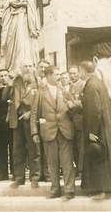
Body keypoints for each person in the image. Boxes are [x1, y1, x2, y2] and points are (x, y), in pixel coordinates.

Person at [79, 61, 111, 200]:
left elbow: (94, 110)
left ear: (84, 71)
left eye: (80, 71)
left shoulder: (90, 85)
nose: (79, 74)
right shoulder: (99, 82)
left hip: (98, 128)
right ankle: (109, 189)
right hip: (106, 126)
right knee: (108, 159)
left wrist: (92, 131)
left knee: (99, 158)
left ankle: (104, 190)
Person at [30, 66, 76, 200]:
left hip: (65, 130)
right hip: (49, 132)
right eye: (56, 75)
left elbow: (74, 109)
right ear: (48, 76)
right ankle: (55, 189)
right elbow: (34, 114)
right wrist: (34, 132)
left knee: (67, 162)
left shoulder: (65, 91)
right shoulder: (40, 92)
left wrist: (72, 106)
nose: (59, 77)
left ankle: (69, 190)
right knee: (52, 163)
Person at [7, 64, 40, 188]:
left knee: (33, 150)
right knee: (17, 150)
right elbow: (9, 97)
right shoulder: (16, 82)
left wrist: (30, 113)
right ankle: (19, 177)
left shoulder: (37, 83)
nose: (27, 68)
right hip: (17, 120)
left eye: (30, 66)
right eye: (24, 66)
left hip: (30, 120)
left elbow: (40, 102)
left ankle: (34, 177)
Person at [68, 65, 85, 177]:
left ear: (79, 73)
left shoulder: (83, 85)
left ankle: (81, 170)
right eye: (71, 73)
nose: (72, 75)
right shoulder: (68, 86)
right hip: (70, 121)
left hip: (80, 120)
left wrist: (73, 104)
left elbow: (84, 102)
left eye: (74, 73)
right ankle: (77, 168)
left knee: (81, 146)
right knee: (73, 146)